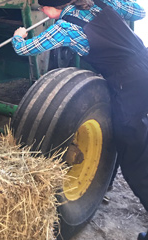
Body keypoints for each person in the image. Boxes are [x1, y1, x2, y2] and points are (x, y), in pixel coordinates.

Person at [11, 0, 148, 238]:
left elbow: (24, 49)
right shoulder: (101, 4)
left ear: (48, 10)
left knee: (134, 159)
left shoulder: (65, 29)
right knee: (127, 133)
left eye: (42, 7)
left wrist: (18, 35)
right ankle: (109, 180)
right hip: (144, 62)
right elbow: (140, 11)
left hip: (129, 84)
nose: (43, 12)